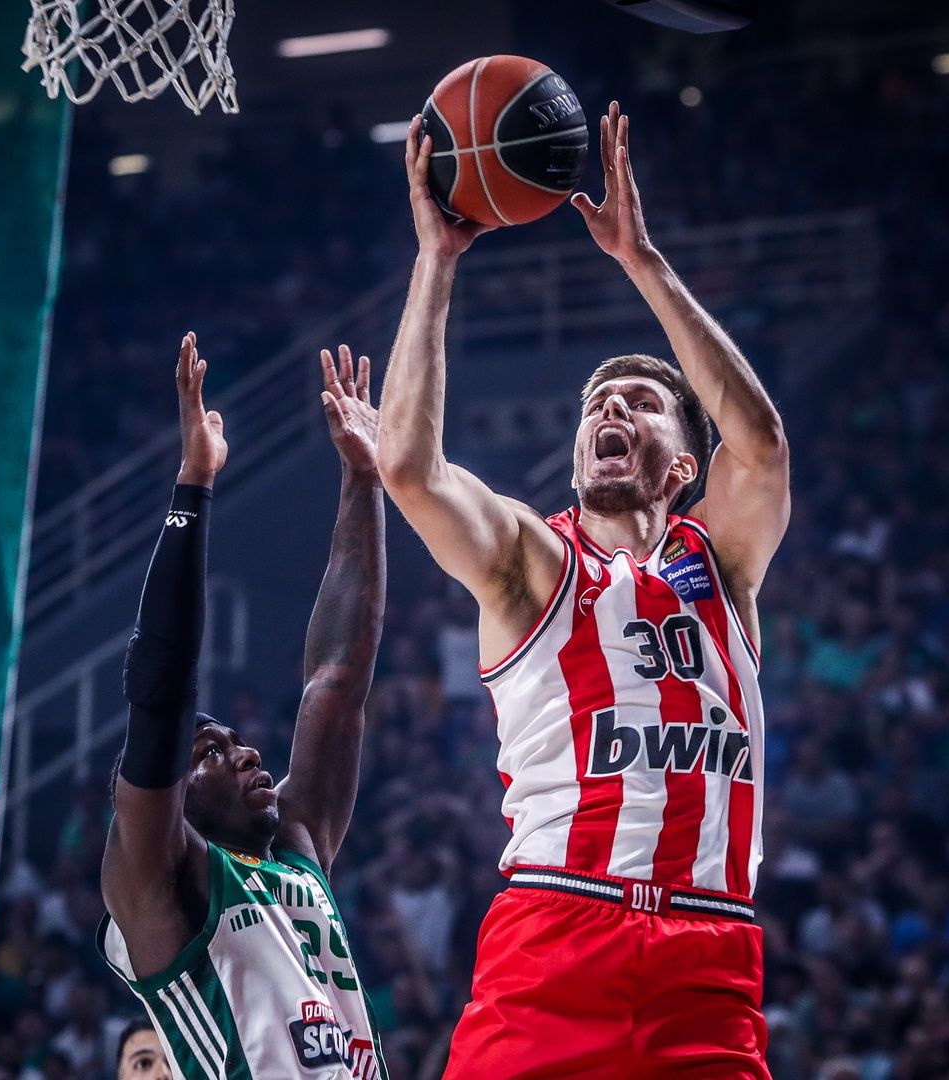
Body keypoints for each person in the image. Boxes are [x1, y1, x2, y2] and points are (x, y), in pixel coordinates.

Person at [378, 102, 791, 1076]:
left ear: (682, 465)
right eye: (597, 403)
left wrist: (641, 262)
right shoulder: (534, 560)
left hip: (708, 952)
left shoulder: (723, 564)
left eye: (641, 403)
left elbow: (762, 444)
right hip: (560, 931)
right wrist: (436, 262)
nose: (611, 407)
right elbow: (409, 468)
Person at [98, 335, 388, 1078]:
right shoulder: (160, 883)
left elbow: (336, 680)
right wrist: (193, 486)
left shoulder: (296, 846)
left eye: (233, 742)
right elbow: (161, 688)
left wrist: (364, 479)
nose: (248, 752)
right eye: (212, 753)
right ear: (170, 798)